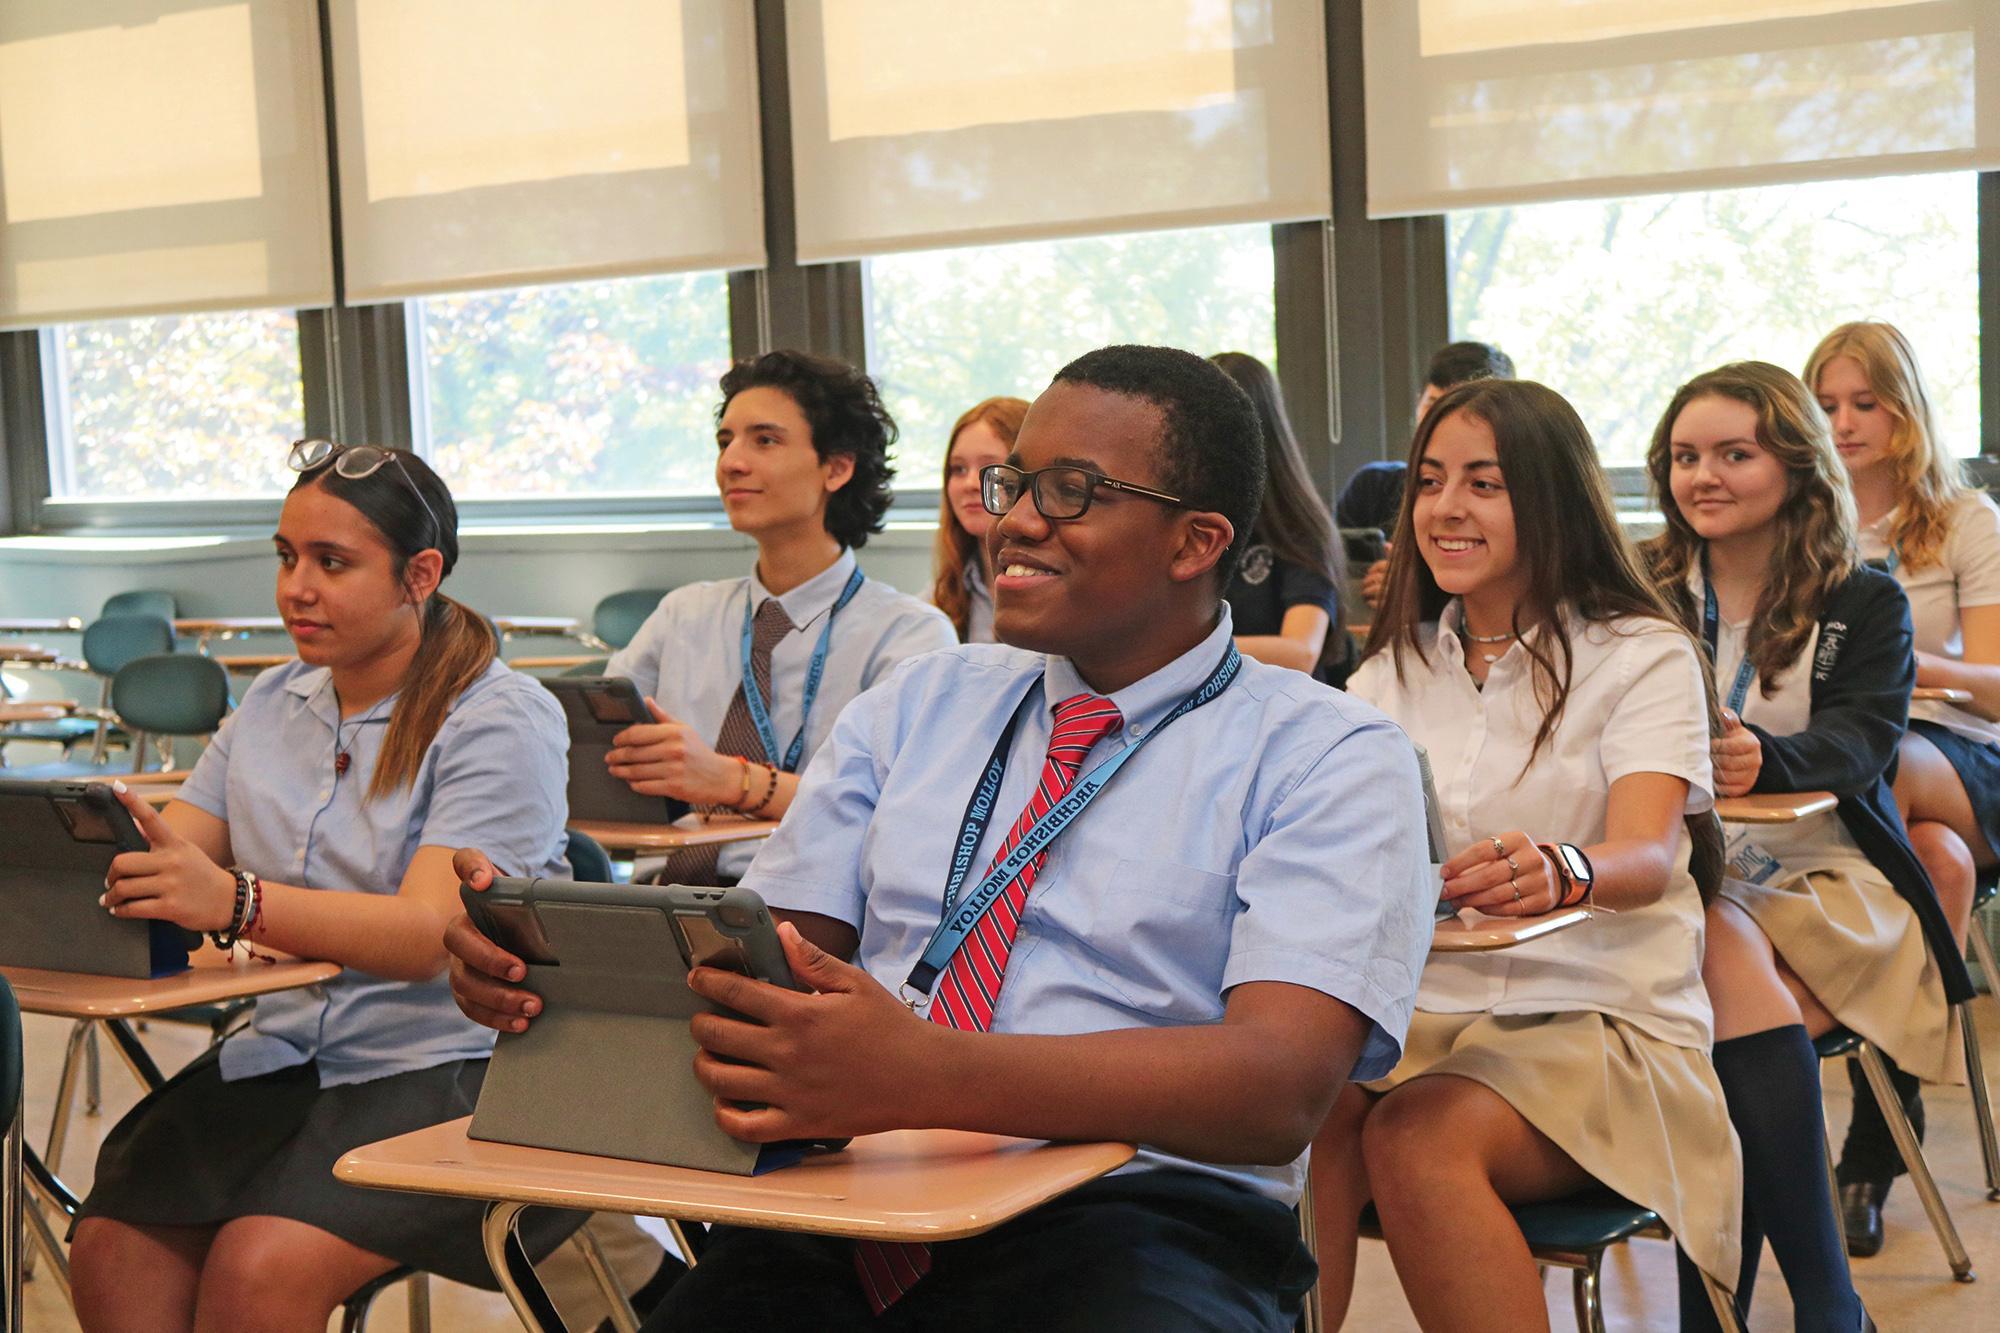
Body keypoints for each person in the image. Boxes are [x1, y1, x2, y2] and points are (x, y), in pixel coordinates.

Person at [446, 344, 1434, 1332]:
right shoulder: (922, 701)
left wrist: (923, 1074)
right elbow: (766, 960)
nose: (1012, 519)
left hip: (1135, 1216)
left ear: (1193, 542)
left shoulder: (1326, 753)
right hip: (854, 1195)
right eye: (1013, 483)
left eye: (1070, 491)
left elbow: (1276, 1085)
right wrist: (564, 975)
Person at [69, 442, 581, 1331]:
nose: (295, 587)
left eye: (332, 563)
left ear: (418, 574)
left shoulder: (500, 714)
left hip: (454, 1068)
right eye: (286, 556)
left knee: (257, 1272)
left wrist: (236, 902)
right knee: (110, 1245)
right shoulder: (272, 701)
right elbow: (168, 856)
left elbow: (430, 934)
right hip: (288, 1056)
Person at [1308, 378, 1741, 1329]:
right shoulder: (1387, 673)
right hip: (1426, 1022)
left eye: (1484, 483)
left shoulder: (1640, 653)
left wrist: (1562, 867)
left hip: (1602, 1021)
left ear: (1550, 498)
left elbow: (1646, 855)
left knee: (1419, 1140)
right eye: (1428, 481)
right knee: (1295, 1121)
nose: (1445, 507)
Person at [1646, 361, 1972, 1330]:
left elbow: (1863, 740)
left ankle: (1723, 1310)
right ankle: (1822, 1308)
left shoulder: (1862, 598)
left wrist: (1766, 756)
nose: (1701, 475)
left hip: (1831, 872)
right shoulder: (1644, 585)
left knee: (1709, 1010)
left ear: (1794, 463)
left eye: (1732, 454)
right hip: (1688, 877)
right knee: (1717, 977)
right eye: (1683, 456)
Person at [603, 350, 955, 884]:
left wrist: (727, 780)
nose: (731, 463)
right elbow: (592, 754)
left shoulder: (906, 634)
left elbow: (890, 807)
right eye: (726, 441)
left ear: (836, 467)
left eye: (764, 440)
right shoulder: (684, 614)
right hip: (658, 897)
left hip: (807, 912)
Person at [1805, 321, 1999, 1252]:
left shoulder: (1967, 521)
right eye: (1828, 404)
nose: (1843, 422)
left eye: (1863, 402)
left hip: (1960, 753)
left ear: (1906, 409)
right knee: (1935, 865)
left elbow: (1997, 681)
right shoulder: (1806, 524)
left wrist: (1900, 664)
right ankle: (1882, 1142)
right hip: (1869, 781)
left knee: (1885, 771)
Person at [1339, 340, 1516, 610]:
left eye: (1482, 484)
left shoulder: (1517, 498)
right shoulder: (1373, 486)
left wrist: (1424, 593)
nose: (1445, 508)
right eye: (1432, 403)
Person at [1209, 352, 1350, 682]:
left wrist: (1187, 652)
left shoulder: (1299, 528)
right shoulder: (1180, 521)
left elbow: (1301, 652)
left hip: (1285, 714)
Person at [928, 396, 1028, 642]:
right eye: (959, 469)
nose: (971, 484)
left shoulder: (1066, 598)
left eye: (990, 468)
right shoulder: (934, 604)